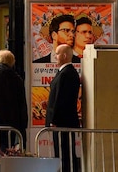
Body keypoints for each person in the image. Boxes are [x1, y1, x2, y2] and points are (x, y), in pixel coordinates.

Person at [46, 44, 81, 172]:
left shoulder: (67, 73)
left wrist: (54, 120)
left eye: (57, 53)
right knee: (61, 153)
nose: (55, 56)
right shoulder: (65, 72)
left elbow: (61, 99)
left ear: (64, 56)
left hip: (62, 123)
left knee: (64, 154)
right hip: (61, 122)